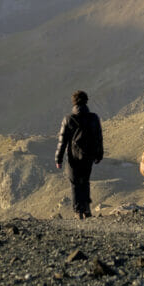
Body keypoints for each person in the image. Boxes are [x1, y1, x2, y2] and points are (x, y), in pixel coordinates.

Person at [55, 90, 103, 219]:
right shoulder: (94, 118)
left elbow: (62, 141)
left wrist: (58, 159)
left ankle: (78, 211)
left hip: (73, 157)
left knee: (75, 183)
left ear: (74, 102)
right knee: (85, 182)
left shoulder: (68, 119)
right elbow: (99, 137)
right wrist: (99, 154)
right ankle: (87, 210)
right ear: (86, 101)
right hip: (88, 156)